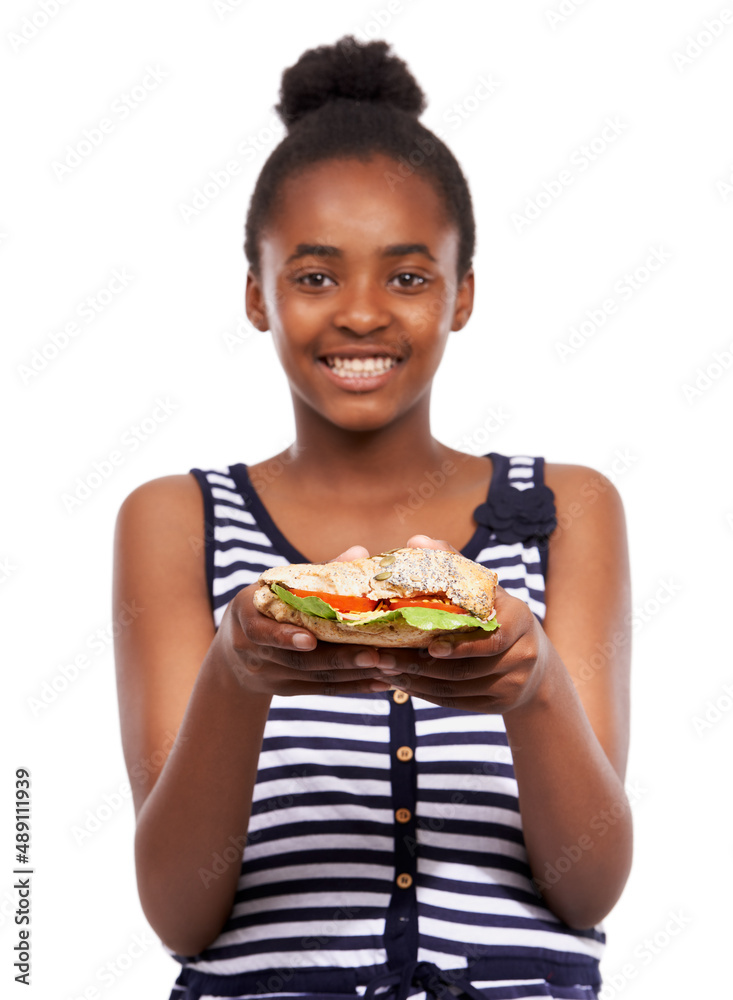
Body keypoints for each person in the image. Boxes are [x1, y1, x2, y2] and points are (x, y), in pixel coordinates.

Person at [113, 35, 632, 1000]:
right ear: (255, 296)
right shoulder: (176, 517)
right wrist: (236, 674)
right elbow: (179, 914)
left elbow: (587, 891)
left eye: (406, 275)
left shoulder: (566, 508)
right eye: (314, 276)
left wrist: (532, 686)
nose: (359, 314)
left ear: (461, 294)